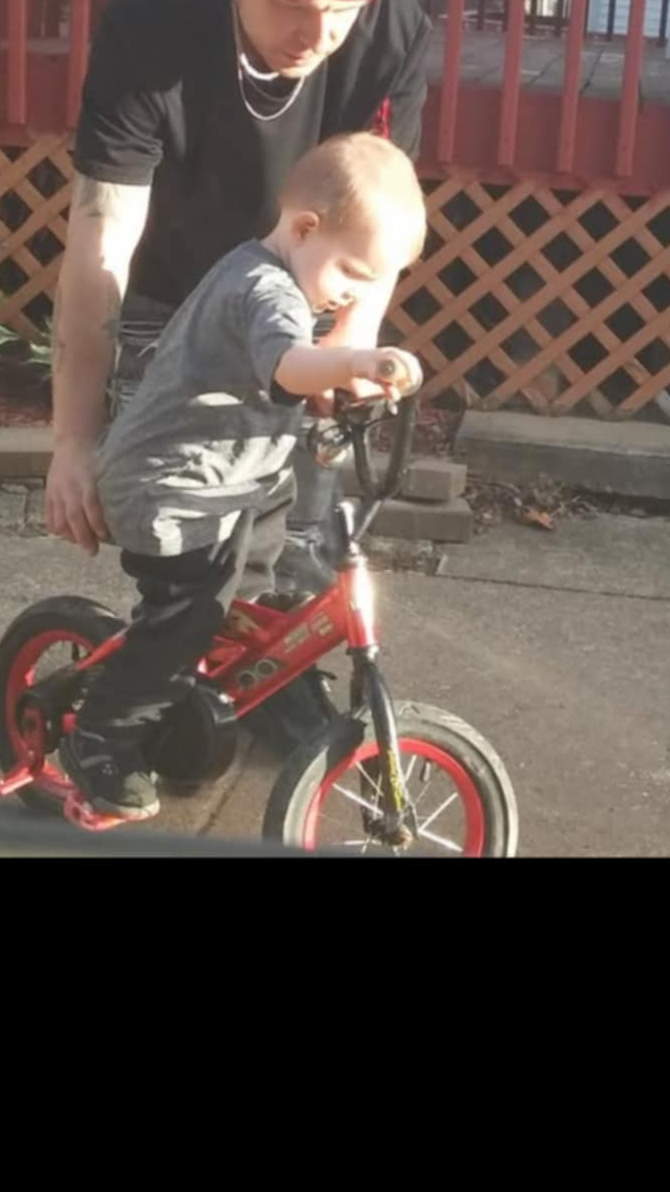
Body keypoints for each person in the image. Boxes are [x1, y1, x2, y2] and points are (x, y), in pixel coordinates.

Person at [46, 0, 433, 593]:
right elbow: (103, 230)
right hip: (168, 298)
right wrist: (73, 439)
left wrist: (350, 339)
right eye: (287, 2)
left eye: (339, 9)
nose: (315, 33)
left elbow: (372, 214)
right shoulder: (159, 8)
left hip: (301, 291)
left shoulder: (392, 31)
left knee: (300, 554)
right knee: (189, 556)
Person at [58, 134, 427, 819]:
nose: (353, 295)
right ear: (304, 229)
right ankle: (103, 737)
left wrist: (350, 382)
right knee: (184, 621)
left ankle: (204, 692)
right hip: (172, 490)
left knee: (256, 578)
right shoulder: (264, 289)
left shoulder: (286, 275)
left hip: (234, 480)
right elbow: (290, 364)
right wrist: (354, 361)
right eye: (351, 273)